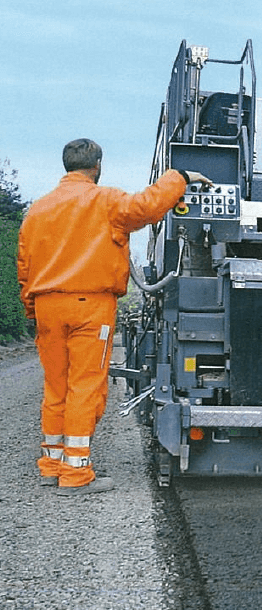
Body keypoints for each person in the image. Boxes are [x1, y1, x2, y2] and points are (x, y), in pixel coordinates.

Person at [18, 138, 210, 496]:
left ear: (66, 166)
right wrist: (180, 176)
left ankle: (51, 465)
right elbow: (148, 206)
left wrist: (33, 312)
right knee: (85, 387)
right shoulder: (105, 201)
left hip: (46, 307)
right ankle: (75, 475)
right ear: (97, 165)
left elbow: (24, 267)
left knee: (56, 386)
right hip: (89, 305)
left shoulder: (38, 210)